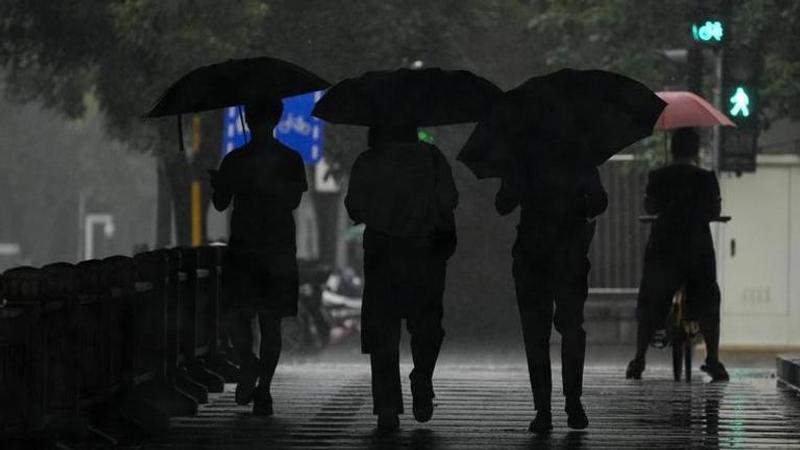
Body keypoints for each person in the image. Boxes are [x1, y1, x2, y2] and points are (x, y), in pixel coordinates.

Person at [345, 123, 457, 433]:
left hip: (382, 254)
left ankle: (387, 408)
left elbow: (354, 207)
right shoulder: (433, 158)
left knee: (383, 330)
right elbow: (449, 200)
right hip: (425, 254)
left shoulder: (368, 161)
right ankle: (422, 375)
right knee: (427, 325)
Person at [495, 140, 608, 435]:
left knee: (536, 334)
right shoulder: (580, 156)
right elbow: (599, 202)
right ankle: (573, 402)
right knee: (572, 328)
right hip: (570, 253)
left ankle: (543, 411)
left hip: (531, 254)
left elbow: (502, 205)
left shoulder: (522, 158)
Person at [209, 99, 307, 416]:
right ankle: (261, 384)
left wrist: (226, 184)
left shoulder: (236, 160)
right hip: (276, 250)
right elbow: (293, 200)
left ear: (249, 120)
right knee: (270, 322)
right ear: (276, 119)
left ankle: (251, 369)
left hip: (246, 250)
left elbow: (221, 203)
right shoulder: (290, 159)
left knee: (240, 317)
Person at [626, 128, 728, 381]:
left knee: (650, 297)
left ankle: (639, 360)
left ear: (672, 149)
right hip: (697, 248)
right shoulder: (706, 178)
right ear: (694, 150)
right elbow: (714, 209)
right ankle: (713, 360)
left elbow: (650, 206)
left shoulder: (658, 176)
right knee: (708, 298)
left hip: (664, 247)